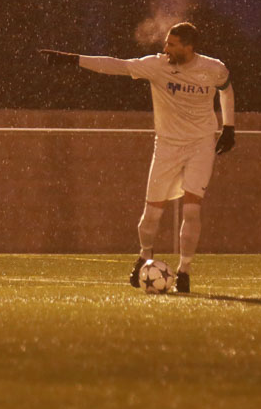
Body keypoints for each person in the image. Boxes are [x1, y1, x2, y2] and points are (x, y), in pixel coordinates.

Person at [39, 22, 235, 293]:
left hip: (200, 145)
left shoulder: (213, 68)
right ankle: (144, 255)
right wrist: (72, 59)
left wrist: (229, 127)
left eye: (172, 44)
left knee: (192, 210)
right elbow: (116, 65)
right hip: (167, 146)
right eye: (166, 42)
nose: (165, 48)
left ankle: (184, 271)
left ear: (189, 47)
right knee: (151, 214)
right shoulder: (156, 66)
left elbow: (226, 89)